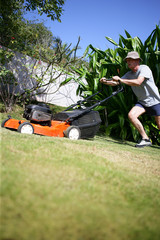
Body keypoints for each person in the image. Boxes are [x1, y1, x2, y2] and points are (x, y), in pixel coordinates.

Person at [100, 51, 160, 147]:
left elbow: (138, 82)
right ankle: (145, 139)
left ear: (137, 61)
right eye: (127, 61)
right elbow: (116, 83)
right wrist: (105, 81)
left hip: (155, 101)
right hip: (143, 102)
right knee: (131, 115)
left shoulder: (144, 69)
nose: (128, 62)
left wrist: (120, 79)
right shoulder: (129, 74)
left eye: (130, 60)